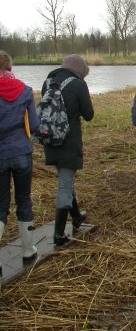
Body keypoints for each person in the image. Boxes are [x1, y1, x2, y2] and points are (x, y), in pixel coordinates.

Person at [40, 55, 94, 246]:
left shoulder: (49, 81)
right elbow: (89, 115)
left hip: (50, 140)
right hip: (69, 142)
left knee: (66, 180)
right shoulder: (78, 85)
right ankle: (59, 234)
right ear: (80, 69)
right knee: (65, 184)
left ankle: (77, 217)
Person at [0, 51, 39, 263]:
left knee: (0, 205)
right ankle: (27, 249)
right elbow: (33, 126)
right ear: (9, 67)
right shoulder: (25, 90)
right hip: (22, 152)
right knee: (23, 200)